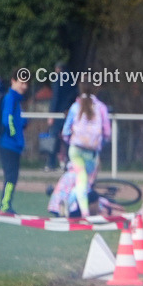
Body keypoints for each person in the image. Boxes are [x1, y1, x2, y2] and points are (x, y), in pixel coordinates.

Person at [58, 83, 111, 216]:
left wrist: (70, 142)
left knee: (81, 181)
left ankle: (68, 202)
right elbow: (107, 133)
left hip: (76, 150)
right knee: (84, 182)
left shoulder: (75, 107)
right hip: (91, 152)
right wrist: (99, 144)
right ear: (96, 89)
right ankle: (84, 213)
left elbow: (65, 131)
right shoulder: (101, 108)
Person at [0, 70, 29, 214]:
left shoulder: (16, 100)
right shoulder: (10, 98)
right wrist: (15, 136)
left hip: (14, 145)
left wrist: (23, 123)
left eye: (26, 83)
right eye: (21, 82)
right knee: (10, 176)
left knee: (13, 176)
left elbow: (15, 120)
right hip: (9, 144)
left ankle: (7, 203)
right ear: (13, 81)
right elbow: (7, 120)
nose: (24, 86)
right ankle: (5, 204)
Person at [46, 62, 78, 171]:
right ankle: (69, 161)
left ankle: (51, 163)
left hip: (58, 113)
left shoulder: (58, 79)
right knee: (68, 138)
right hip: (68, 112)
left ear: (58, 69)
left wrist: (51, 114)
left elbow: (56, 97)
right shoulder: (72, 79)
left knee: (53, 137)